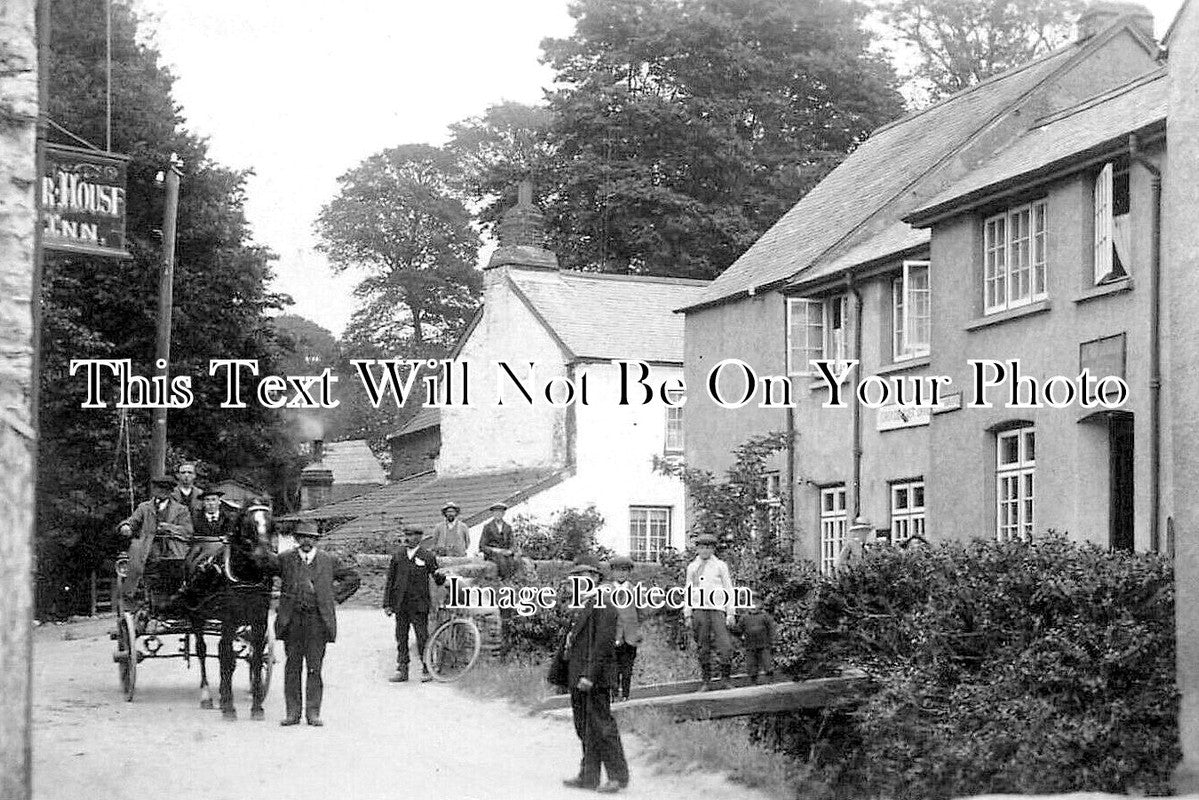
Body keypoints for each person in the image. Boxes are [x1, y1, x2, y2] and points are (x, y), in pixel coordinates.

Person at [275, 522, 360, 727]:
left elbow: (353, 578)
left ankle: (313, 712)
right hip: (293, 620)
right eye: (303, 537)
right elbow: (265, 572)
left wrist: (333, 597)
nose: (307, 541)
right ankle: (293, 713)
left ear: (316, 540)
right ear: (296, 539)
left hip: (317, 622)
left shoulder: (328, 561)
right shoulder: (285, 559)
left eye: (311, 537)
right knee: (292, 667)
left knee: (315, 667)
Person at [560, 558, 630, 793]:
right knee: (584, 727)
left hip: (594, 678)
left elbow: (602, 646)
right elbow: (570, 642)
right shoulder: (581, 605)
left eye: (583, 577)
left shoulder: (604, 605)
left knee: (602, 727)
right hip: (577, 674)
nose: (578, 582)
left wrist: (589, 676)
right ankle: (588, 776)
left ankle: (617, 777)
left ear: (594, 578)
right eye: (575, 578)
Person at [117, 475, 194, 608]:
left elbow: (187, 531)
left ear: (171, 491)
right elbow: (133, 521)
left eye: (166, 489)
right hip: (149, 552)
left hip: (173, 553)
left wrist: (169, 528)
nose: (162, 491)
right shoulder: (144, 508)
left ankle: (172, 606)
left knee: (174, 581)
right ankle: (145, 606)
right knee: (146, 578)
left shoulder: (181, 510)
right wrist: (126, 526)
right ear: (154, 490)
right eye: (159, 488)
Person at [383, 526, 446, 683]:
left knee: (422, 636)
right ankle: (402, 669)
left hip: (419, 604)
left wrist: (441, 577)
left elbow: (437, 578)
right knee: (401, 637)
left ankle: (426, 668)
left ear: (419, 538)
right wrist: (387, 604)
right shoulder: (398, 556)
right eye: (407, 535)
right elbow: (390, 580)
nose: (408, 538)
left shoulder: (427, 556)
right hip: (401, 604)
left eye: (411, 535)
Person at [683, 533, 735, 691]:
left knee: (725, 645)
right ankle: (706, 681)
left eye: (708, 547)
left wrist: (731, 612)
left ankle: (725, 680)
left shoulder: (720, 566)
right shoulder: (692, 567)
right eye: (701, 547)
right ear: (697, 549)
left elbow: (728, 588)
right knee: (703, 646)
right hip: (699, 610)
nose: (705, 550)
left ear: (713, 549)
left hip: (717, 610)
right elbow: (688, 590)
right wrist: (688, 613)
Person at [607, 555, 642, 702]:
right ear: (612, 573)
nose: (621, 574)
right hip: (613, 635)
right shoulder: (606, 591)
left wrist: (638, 631)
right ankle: (614, 694)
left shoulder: (635, 591)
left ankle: (626, 695)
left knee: (627, 668)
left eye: (624, 570)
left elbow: (641, 612)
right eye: (618, 570)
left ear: (629, 573)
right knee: (613, 667)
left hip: (630, 635)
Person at [185, 489, 236, 574]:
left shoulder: (228, 518)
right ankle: (187, 580)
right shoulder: (195, 518)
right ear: (203, 503)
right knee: (191, 562)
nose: (211, 503)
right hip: (201, 549)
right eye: (207, 500)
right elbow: (191, 533)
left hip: (223, 549)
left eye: (213, 500)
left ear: (219, 502)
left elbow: (230, 534)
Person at [733, 597, 777, 685]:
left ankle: (770, 680)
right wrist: (732, 628)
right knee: (751, 664)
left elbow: (771, 629)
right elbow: (738, 630)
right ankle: (753, 681)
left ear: (760, 605)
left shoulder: (765, 616)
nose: (753, 607)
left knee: (767, 662)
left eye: (755, 604)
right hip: (750, 645)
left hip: (764, 644)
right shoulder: (744, 618)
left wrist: (772, 641)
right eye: (750, 604)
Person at [479, 502, 517, 580]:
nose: (498, 514)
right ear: (493, 514)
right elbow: (482, 545)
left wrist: (510, 551)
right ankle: (505, 580)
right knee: (502, 560)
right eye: (496, 512)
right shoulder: (487, 527)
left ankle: (514, 580)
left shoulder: (508, 527)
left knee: (515, 560)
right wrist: (495, 550)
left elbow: (512, 543)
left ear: (503, 514)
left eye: (500, 512)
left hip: (506, 553)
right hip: (492, 554)